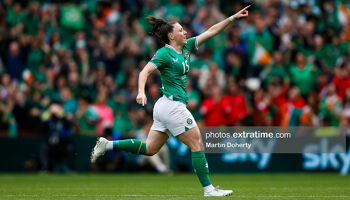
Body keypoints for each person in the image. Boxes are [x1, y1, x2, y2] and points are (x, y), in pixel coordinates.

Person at [91, 5, 250, 197]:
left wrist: (232, 17)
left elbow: (211, 31)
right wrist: (141, 91)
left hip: (165, 105)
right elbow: (145, 71)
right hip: (171, 106)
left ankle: (107, 144)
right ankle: (208, 189)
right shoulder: (165, 53)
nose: (185, 32)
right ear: (171, 36)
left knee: (150, 149)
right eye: (181, 30)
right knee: (196, 143)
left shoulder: (187, 47)